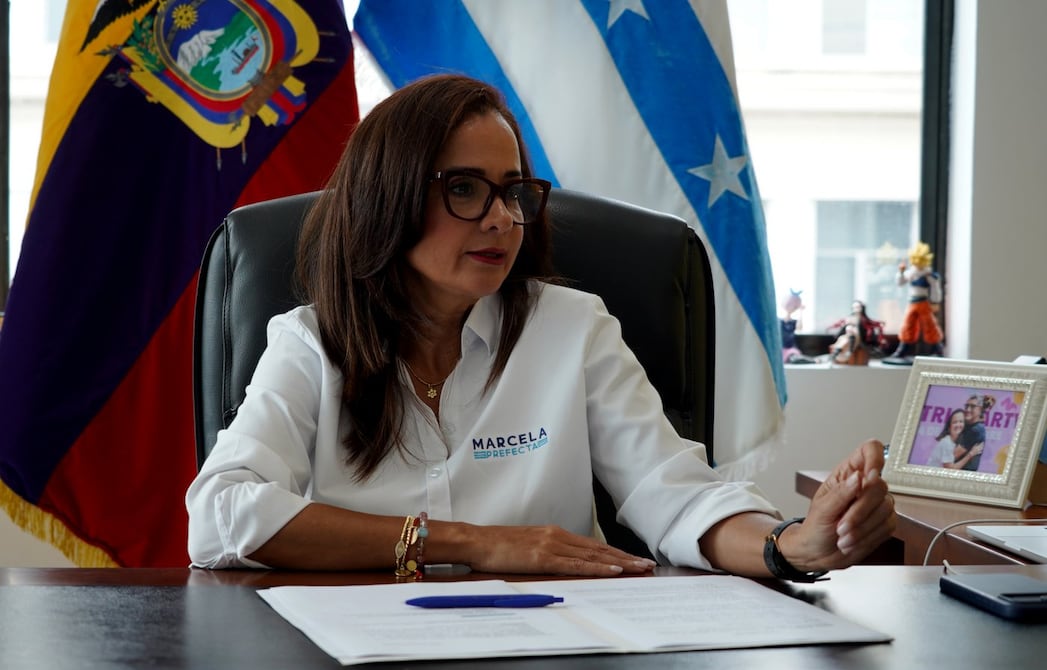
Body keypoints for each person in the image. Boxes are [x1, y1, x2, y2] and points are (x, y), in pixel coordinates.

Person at [186, 74, 895, 580]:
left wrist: (791, 544)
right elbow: (220, 516)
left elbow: (673, 492)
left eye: (514, 192)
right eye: (465, 189)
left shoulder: (572, 328)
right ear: (385, 200)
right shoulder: (310, 343)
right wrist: (473, 543)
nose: (502, 218)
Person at [885, 242, 943, 363]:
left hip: (923, 302)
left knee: (929, 325)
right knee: (908, 324)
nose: (917, 264)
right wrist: (901, 272)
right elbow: (900, 282)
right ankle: (903, 349)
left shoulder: (929, 275)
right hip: (912, 302)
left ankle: (937, 349)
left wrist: (935, 301)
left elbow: (935, 289)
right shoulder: (911, 272)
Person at [956, 394, 994, 472]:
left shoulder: (976, 430)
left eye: (973, 406)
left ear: (981, 410)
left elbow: (953, 456)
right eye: (966, 406)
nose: (968, 409)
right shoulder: (968, 425)